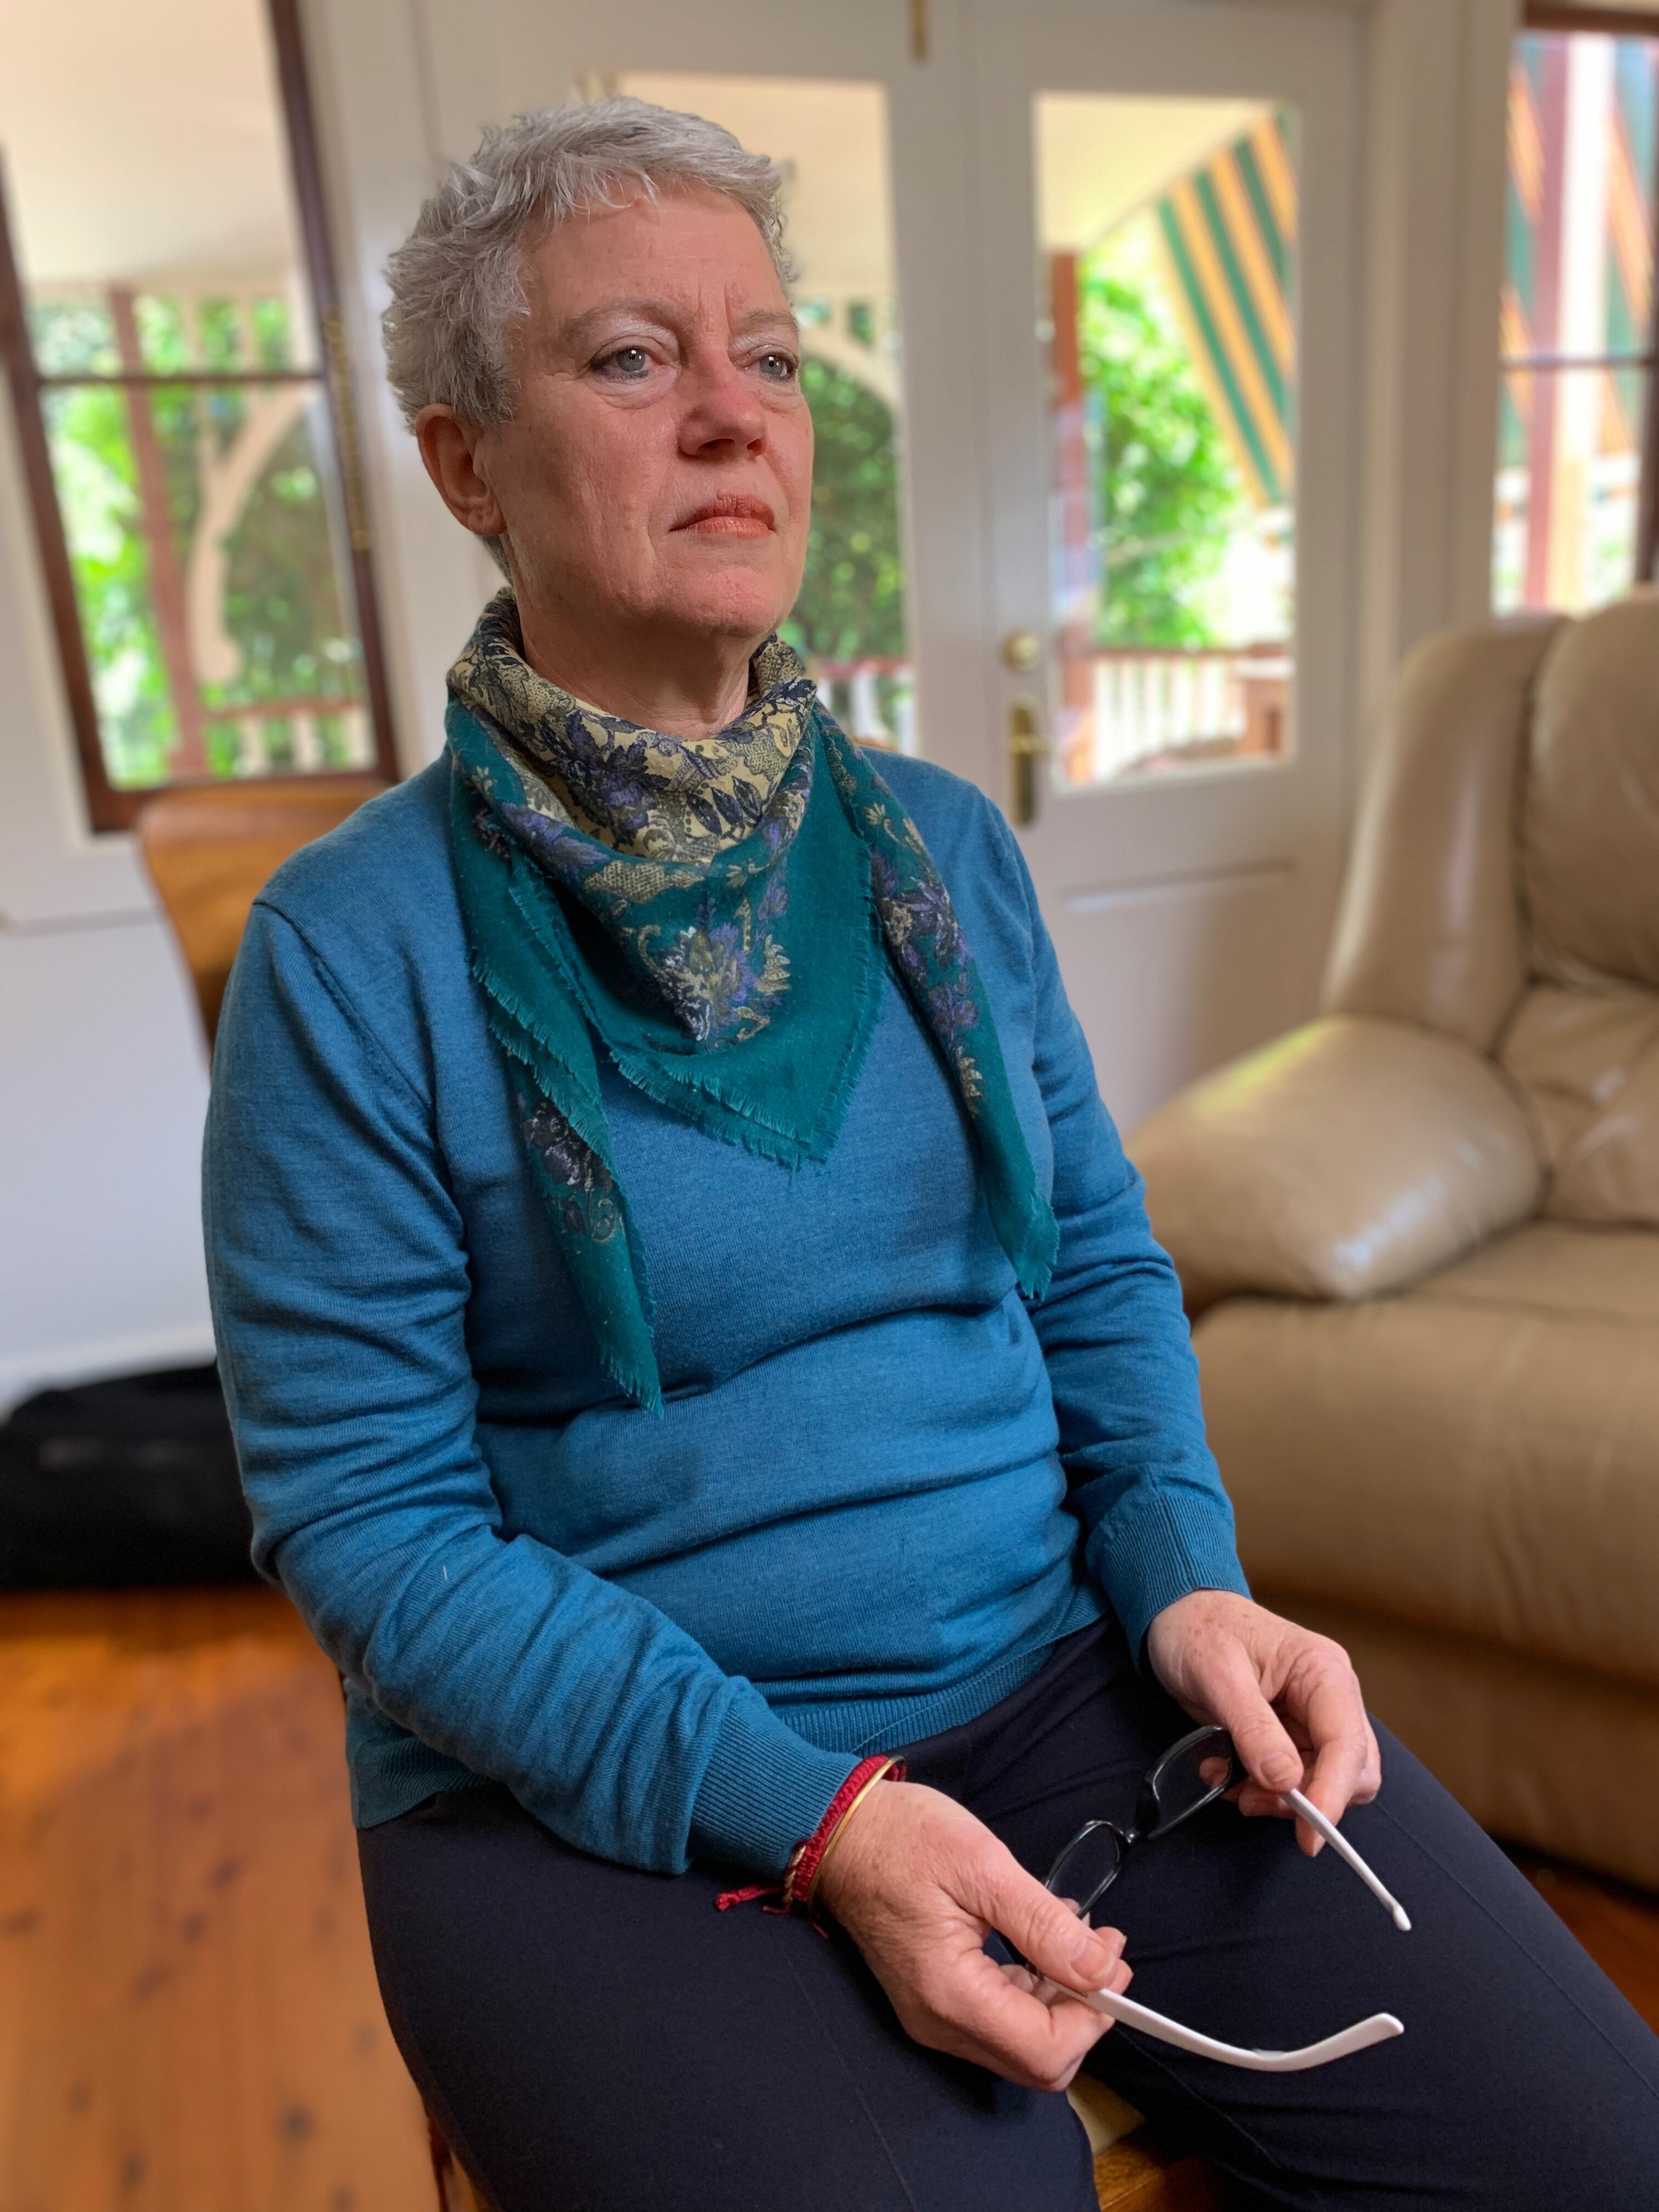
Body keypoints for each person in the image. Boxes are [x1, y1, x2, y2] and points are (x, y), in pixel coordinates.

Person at [204, 97, 1659, 2210]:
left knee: (1601, 2154)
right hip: (600, 1795)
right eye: (632, 359)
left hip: (1063, 1679)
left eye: (774, 359)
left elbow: (1091, 1273)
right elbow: (371, 1526)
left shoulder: (945, 854)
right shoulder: (348, 953)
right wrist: (818, 1817)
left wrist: (1188, 1580)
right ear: (463, 463)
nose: (736, 418)